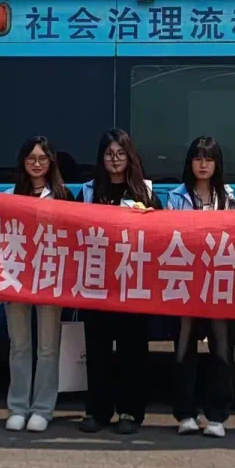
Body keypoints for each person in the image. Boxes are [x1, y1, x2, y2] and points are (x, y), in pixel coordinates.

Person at [79, 128, 159, 435]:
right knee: (97, 349)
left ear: (130, 157)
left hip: (133, 283)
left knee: (132, 350)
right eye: (109, 154)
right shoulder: (88, 192)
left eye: (121, 154)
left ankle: (130, 412)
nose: (115, 160)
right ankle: (97, 411)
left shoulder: (145, 192)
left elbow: (162, 233)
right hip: (96, 282)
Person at [166, 136, 235, 438]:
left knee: (221, 349)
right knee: (184, 349)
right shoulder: (176, 196)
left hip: (217, 282)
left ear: (217, 163)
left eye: (209, 159)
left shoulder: (228, 197)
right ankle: (185, 414)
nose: (204, 165)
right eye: (198, 158)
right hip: (185, 281)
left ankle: (217, 416)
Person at [3, 135, 74, 433]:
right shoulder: (9, 195)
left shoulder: (63, 196)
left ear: (51, 162)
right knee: (19, 346)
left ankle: (43, 409)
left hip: (50, 279)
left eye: (42, 158)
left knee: (47, 347)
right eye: (31, 158)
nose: (36, 164)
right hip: (16, 279)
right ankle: (18, 406)